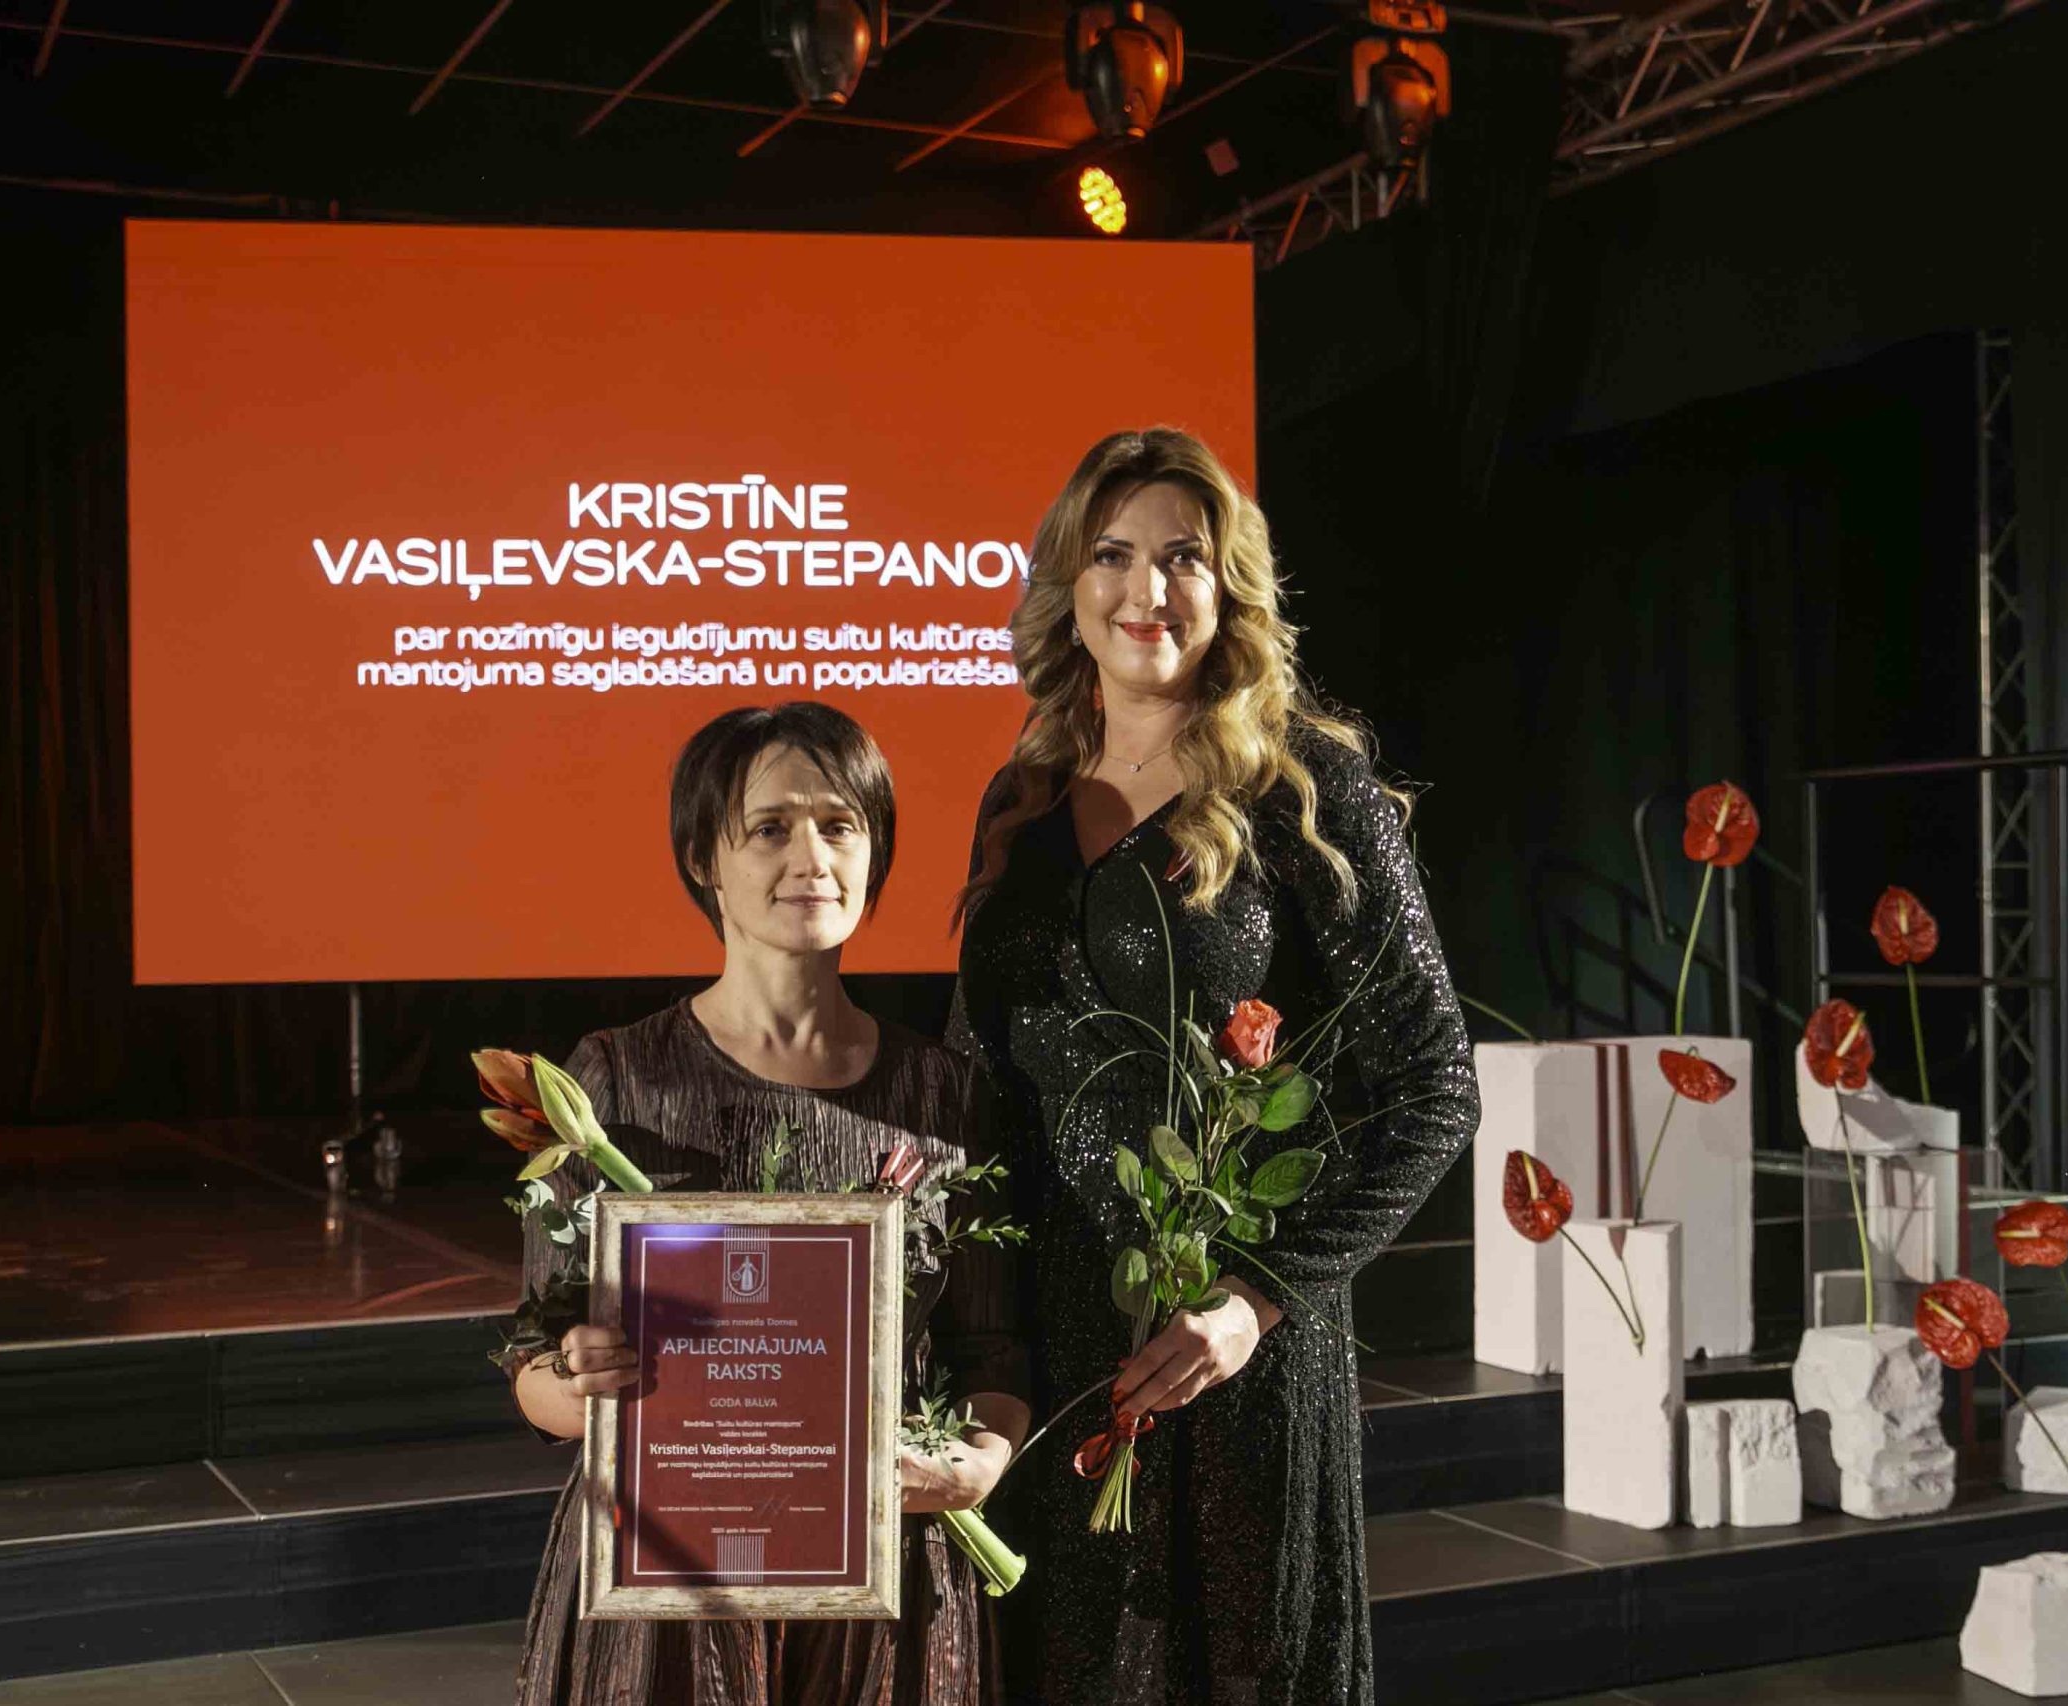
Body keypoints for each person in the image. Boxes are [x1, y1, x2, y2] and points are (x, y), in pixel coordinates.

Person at [948, 429, 1478, 1704]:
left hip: (1235, 1349)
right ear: (1069, 583)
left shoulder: (1303, 784)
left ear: (1227, 583)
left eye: (1182, 556)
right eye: (1112, 554)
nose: (1147, 589)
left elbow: (1435, 1085)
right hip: (1059, 1346)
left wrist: (1254, 1299)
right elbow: (981, 1076)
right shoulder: (1019, 800)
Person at [508, 702, 1029, 1706]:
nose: (812, 858)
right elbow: (534, 1355)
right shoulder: (617, 1080)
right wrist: (576, 1384)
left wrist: (978, 1465)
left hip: (884, 1578)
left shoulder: (944, 1093)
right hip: (665, 1581)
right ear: (702, 857)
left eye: (840, 825)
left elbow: (995, 1351)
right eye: (770, 827)